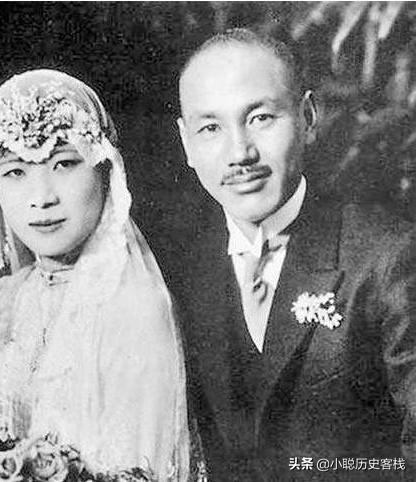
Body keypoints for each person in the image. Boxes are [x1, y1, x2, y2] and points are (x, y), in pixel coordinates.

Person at [160, 28, 415, 482]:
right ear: (186, 144)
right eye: (211, 128)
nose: (240, 153)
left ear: (308, 118)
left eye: (260, 118)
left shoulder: (389, 258)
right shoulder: (178, 274)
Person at [0, 69, 190, 481]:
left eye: (65, 163)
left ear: (105, 171)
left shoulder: (135, 308)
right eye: (15, 172)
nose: (42, 198)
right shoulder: (8, 299)